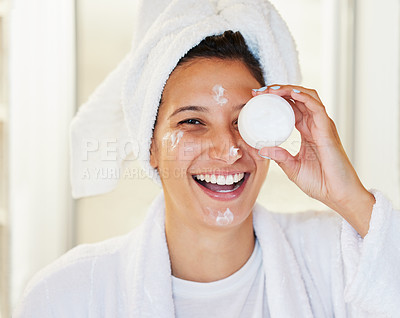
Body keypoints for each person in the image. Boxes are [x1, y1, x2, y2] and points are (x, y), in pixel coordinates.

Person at [14, 1, 400, 317]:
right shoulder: (67, 296)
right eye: (193, 121)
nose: (227, 149)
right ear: (149, 144)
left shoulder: (337, 262)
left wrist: (350, 198)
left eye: (243, 120)